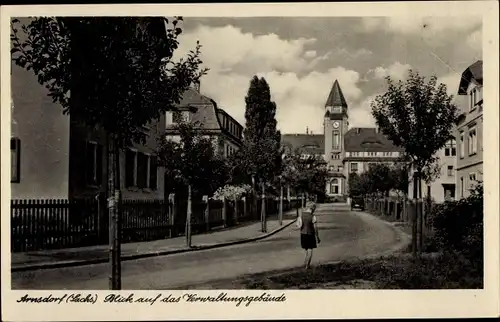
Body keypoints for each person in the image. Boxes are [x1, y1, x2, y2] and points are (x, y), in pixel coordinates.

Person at [294, 200, 320, 269]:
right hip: (310, 234)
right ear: (312, 208)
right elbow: (315, 228)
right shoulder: (313, 216)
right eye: (314, 208)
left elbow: (298, 225)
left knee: (306, 249)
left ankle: (305, 263)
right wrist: (317, 237)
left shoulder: (301, 215)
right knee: (310, 250)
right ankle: (307, 265)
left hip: (303, 234)